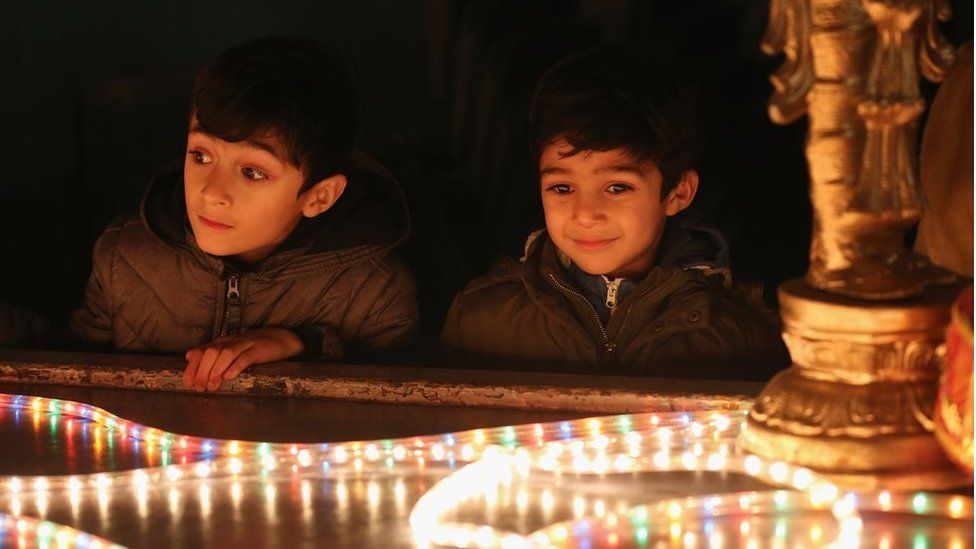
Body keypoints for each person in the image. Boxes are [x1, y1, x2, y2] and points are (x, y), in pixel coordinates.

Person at [70, 38, 418, 391]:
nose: (211, 193)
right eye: (201, 156)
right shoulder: (124, 255)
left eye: (253, 172)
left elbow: (398, 408)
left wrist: (304, 344)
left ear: (320, 196)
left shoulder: (373, 290)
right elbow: (69, 381)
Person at [442, 46, 787, 379]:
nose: (586, 214)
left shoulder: (739, 339)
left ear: (678, 192)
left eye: (617, 187)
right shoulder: (482, 321)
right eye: (562, 188)